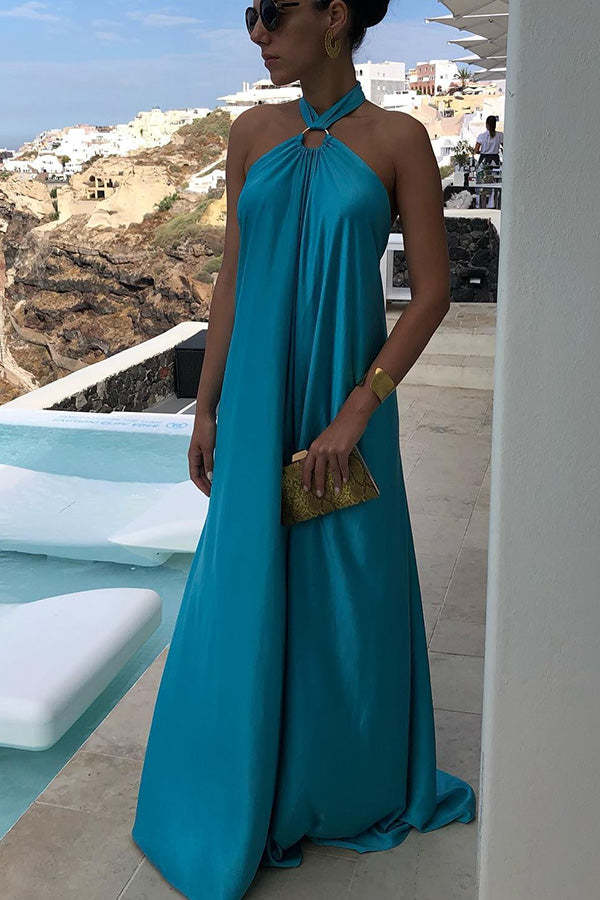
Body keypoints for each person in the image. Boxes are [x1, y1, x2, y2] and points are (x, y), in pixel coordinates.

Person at [131, 2, 477, 898]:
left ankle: (340, 779)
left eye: (272, 13)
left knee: (349, 585)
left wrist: (361, 408)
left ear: (333, 16)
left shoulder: (400, 139)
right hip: (255, 402)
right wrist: (206, 406)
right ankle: (244, 777)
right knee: (247, 578)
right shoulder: (252, 131)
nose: (257, 32)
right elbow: (233, 274)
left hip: (347, 403)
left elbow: (431, 294)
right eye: (250, 15)